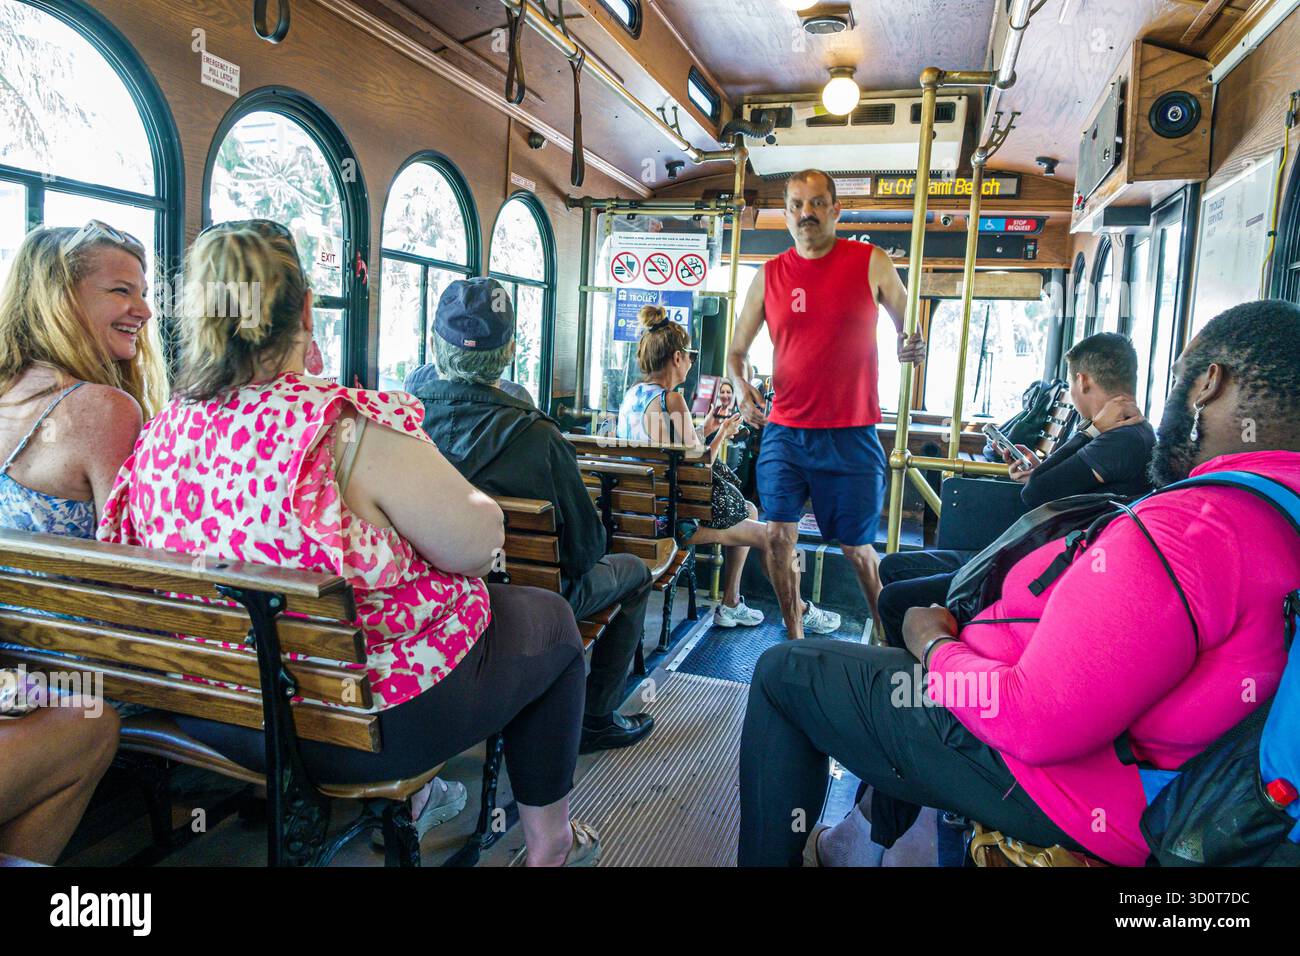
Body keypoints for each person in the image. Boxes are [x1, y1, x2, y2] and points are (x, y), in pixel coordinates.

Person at [98, 221, 600, 865]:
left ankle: (429, 804)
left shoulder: (161, 433)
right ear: (305, 308)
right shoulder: (345, 428)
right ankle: (550, 844)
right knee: (552, 624)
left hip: (215, 713)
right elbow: (477, 546)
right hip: (360, 727)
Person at [738, 300, 1300, 867]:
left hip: (1079, 788)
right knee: (890, 638)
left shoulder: (1194, 530)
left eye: (1181, 378)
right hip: (1164, 774)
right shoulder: (1278, 509)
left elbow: (1034, 719)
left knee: (786, 673)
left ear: (1208, 384)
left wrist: (936, 648)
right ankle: (873, 835)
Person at [409, 277, 655, 753]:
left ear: (436, 345)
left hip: (428, 593)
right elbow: (585, 552)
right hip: (526, 598)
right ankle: (595, 716)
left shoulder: (405, 419)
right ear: (508, 354)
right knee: (637, 573)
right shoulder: (540, 436)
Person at [728, 169, 927, 638]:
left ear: (836, 209)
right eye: (796, 204)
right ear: (785, 214)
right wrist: (740, 386)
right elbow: (736, 351)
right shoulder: (769, 276)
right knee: (778, 536)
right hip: (786, 432)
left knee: (857, 551)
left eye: (816, 203)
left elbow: (909, 325)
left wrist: (911, 344)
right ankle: (794, 633)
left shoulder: (870, 261)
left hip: (850, 433)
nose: (805, 214)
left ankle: (886, 634)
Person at [875, 332, 1158, 646]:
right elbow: (1046, 485)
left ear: (1083, 381)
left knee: (893, 600)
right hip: (1035, 551)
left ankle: (921, 686)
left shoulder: (1120, 439)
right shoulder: (1124, 435)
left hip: (1038, 571)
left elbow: (1037, 493)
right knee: (892, 566)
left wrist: (1088, 431)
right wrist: (1037, 469)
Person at [0, 221, 165, 535]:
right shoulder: (106, 409)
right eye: (121, 290)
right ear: (60, 300)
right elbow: (133, 561)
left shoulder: (8, 391)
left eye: (143, 293)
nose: (145, 311)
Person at [616, 305, 769, 628]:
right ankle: (794, 610)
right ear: (676, 358)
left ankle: (731, 602)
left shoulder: (633, 395)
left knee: (750, 510)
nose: (690, 362)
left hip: (634, 513)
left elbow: (671, 452)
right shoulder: (672, 400)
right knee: (772, 536)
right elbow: (699, 468)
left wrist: (707, 430)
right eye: (689, 356)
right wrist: (723, 436)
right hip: (671, 520)